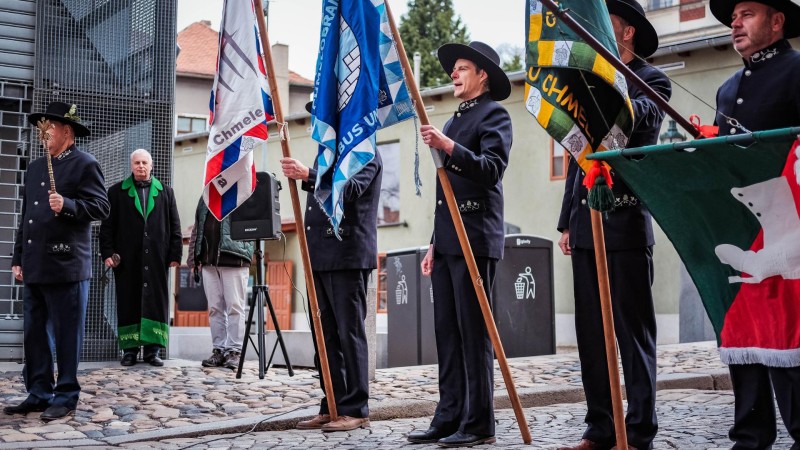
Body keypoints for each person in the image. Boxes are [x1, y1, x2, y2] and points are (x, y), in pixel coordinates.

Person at [556, 1, 671, 449]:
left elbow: (643, 119)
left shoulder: (651, 79)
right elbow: (576, 159)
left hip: (624, 222)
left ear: (626, 34)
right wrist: (567, 221)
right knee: (591, 334)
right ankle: (600, 428)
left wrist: (606, 89)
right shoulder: (589, 80)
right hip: (587, 225)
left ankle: (639, 430)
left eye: (607, 27)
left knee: (632, 333)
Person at [406, 41, 512, 448]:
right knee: (447, 333)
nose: (454, 73)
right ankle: (448, 416)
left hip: (477, 236)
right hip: (449, 240)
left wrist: (448, 147)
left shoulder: (495, 115)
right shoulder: (454, 120)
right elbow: (444, 192)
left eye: (462, 68)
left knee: (473, 332)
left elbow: (491, 170)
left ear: (482, 75)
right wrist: (435, 243)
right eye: (454, 68)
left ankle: (480, 422)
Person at [709, 1, 800, 448]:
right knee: (743, 325)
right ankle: (750, 434)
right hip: (740, 227)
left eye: (746, 13)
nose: (735, 23)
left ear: (777, 21)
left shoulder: (797, 70)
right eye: (733, 17)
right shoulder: (727, 90)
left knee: (788, 328)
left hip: (789, 229)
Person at [4, 102, 109, 420]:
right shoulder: (36, 168)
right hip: (35, 265)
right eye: (42, 127)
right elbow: (28, 218)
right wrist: (18, 256)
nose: (44, 133)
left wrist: (68, 205)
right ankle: (38, 392)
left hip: (67, 265)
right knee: (34, 332)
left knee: (66, 334)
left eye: (49, 127)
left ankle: (65, 395)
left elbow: (101, 207)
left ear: (67, 131)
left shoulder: (85, 164)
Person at [282, 119, 382, 432]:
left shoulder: (365, 151)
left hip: (347, 254)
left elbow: (350, 190)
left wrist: (309, 175)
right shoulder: (325, 153)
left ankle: (355, 408)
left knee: (348, 334)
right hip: (321, 255)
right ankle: (333, 404)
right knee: (324, 337)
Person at [100, 149, 182, 367]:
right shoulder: (116, 192)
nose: (140, 166)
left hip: (157, 259)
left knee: (156, 302)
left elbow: (175, 225)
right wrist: (107, 253)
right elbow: (107, 227)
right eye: (137, 162)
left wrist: (175, 254)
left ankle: (152, 351)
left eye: (144, 162)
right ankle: (129, 350)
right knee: (128, 300)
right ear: (131, 165)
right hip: (127, 259)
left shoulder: (166, 192)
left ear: (151, 165)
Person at [187, 198, 254, 371]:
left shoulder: (241, 192)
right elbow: (197, 228)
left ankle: (234, 351)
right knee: (215, 308)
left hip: (234, 257)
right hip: (208, 260)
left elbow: (252, 223)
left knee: (235, 307)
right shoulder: (205, 198)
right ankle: (219, 350)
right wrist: (193, 256)